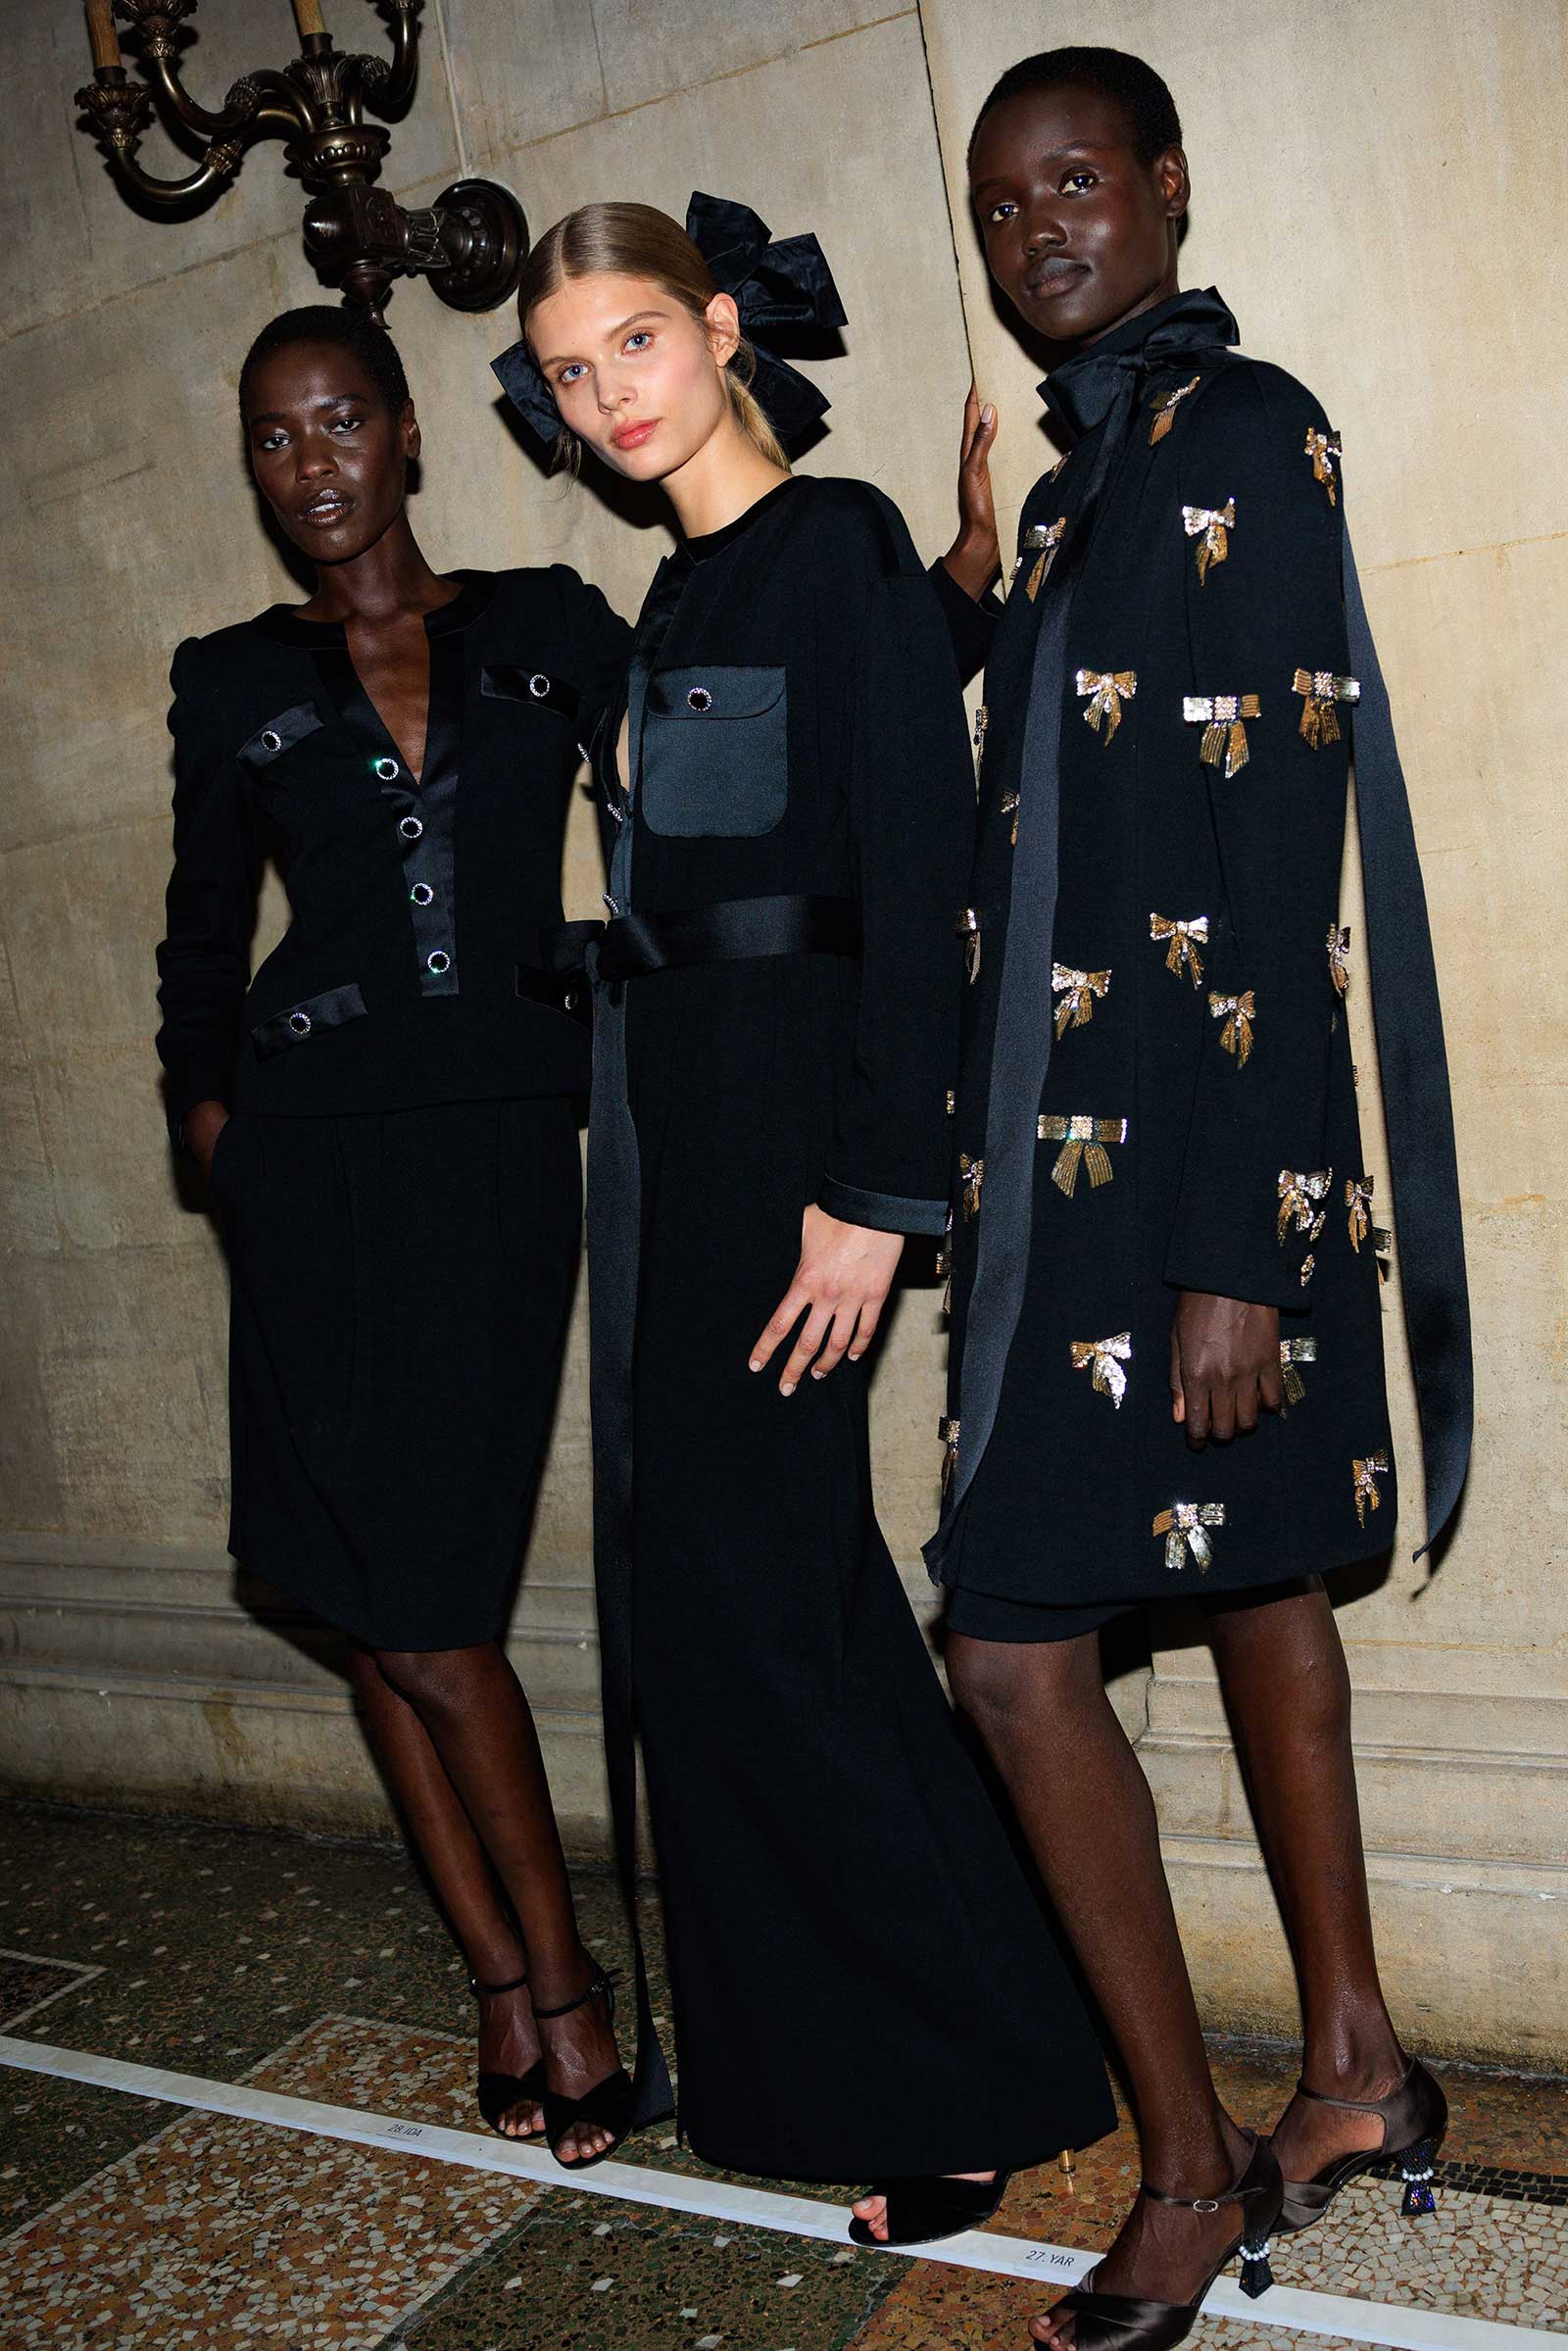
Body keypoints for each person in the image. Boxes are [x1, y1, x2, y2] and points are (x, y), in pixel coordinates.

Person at [492, 194, 1113, 2229]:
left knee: (774, 1608)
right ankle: (856, 2052)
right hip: (677, 1138)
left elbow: (911, 876)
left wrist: (870, 1195)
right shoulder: (676, 599)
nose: (607, 397)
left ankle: (966, 2080)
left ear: (721, 327)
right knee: (730, 1611)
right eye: (568, 374)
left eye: (636, 344)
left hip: (796, 1161)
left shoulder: (829, 537)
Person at [927, 48, 1472, 2349]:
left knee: (1004, 1650)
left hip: (1187, 1168)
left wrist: (1237, 1248)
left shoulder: (1242, 428)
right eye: (997, 202)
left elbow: (1276, 844)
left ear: (1164, 185)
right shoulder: (1085, 486)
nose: (1035, 227)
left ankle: (1183, 2169)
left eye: (1073, 179)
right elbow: (1064, 812)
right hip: (1077, 1156)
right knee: (1251, 1585)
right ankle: (1350, 2069)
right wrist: (971, 603)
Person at [155, 306, 638, 2166]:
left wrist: (948, 601)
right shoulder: (228, 677)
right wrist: (215, 1127)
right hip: (307, 1167)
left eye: (342, 420)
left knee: (433, 1608)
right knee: (371, 1611)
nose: (313, 464)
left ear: (411, 431)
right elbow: (203, 931)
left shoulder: (547, 623)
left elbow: (732, 716)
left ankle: (566, 1988)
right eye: (276, 437)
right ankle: (516, 1988)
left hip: (499, 1153)